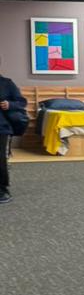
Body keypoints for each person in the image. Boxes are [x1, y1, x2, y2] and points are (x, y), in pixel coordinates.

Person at [0, 69, 27, 204]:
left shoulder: (6, 83)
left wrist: (9, 104)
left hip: (1, 127)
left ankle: (2, 189)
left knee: (0, 159)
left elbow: (21, 102)